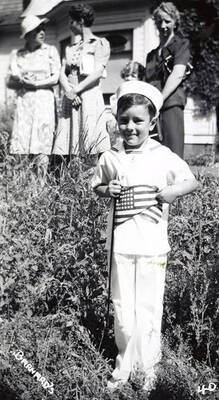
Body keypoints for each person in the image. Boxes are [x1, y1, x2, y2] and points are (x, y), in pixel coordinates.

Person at [92, 81, 198, 391]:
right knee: (123, 308)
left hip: (152, 245)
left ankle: (148, 368)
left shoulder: (163, 155)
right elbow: (98, 185)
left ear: (152, 122)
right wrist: (106, 190)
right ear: (117, 121)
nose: (130, 127)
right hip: (121, 245)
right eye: (124, 120)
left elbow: (191, 181)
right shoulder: (111, 157)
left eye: (138, 120)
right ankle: (124, 364)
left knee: (149, 307)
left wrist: (170, 192)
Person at [52, 3, 111, 161]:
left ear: (81, 20)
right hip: (72, 98)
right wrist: (69, 91)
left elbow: (98, 72)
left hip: (89, 97)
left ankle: (92, 178)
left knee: (90, 136)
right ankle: (74, 179)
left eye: (72, 21)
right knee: (72, 140)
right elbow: (62, 73)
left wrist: (76, 90)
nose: (69, 25)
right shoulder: (71, 48)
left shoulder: (99, 44)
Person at [7, 15, 61, 181]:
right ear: (28, 33)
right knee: (23, 142)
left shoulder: (50, 51)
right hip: (25, 103)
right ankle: (24, 183)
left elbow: (56, 77)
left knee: (42, 141)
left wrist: (36, 84)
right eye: (37, 29)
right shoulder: (19, 55)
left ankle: (42, 184)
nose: (42, 32)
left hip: (44, 100)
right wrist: (22, 81)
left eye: (43, 29)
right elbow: (10, 82)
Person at [145, 2, 192, 158]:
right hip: (152, 108)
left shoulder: (180, 45)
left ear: (175, 22)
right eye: (159, 21)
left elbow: (178, 74)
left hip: (170, 103)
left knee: (173, 153)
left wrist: (159, 99)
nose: (163, 25)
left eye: (167, 21)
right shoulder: (151, 55)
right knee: (152, 151)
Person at [107, 61, 145, 143]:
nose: (129, 78)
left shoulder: (141, 93)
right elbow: (114, 109)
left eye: (133, 76)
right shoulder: (121, 92)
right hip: (122, 124)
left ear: (140, 78)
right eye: (127, 75)